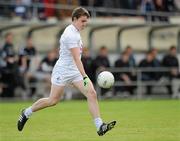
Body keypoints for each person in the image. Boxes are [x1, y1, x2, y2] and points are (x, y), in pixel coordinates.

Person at [17, 7, 116, 136]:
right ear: (74, 19)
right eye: (83, 21)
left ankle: (100, 126)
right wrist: (85, 76)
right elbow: (76, 58)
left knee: (91, 93)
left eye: (86, 21)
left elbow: (76, 58)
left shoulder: (76, 31)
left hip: (74, 71)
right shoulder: (70, 34)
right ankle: (26, 113)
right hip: (62, 71)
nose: (85, 24)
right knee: (53, 100)